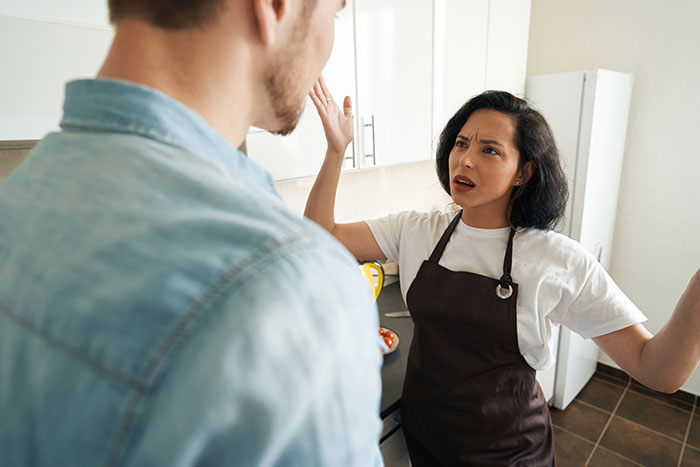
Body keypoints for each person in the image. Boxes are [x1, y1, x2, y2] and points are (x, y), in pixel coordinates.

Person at [0, 1, 384, 466]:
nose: (329, 43)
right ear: (273, 7)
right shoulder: (300, 291)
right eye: (335, 11)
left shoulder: (21, 195)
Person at [305, 77, 700, 466]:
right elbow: (322, 235)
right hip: (426, 437)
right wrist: (336, 151)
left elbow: (657, 369)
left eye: (490, 150)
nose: (465, 159)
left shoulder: (557, 260)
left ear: (524, 172)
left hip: (507, 454)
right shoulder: (416, 230)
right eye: (461, 143)